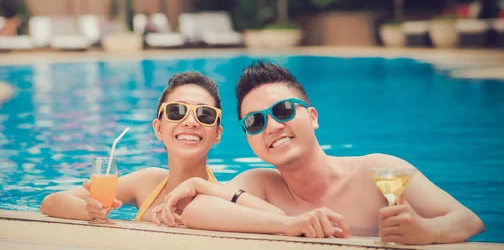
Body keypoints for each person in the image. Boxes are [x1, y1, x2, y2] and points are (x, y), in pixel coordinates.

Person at [152, 60, 485, 244]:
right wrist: (290, 225)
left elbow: (469, 220)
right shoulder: (262, 184)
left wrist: (427, 232)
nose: (271, 126)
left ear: (312, 116)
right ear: (250, 138)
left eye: (283, 110)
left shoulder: (379, 171)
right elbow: (195, 213)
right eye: (255, 121)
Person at [40, 71, 280, 223]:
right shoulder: (146, 182)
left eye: (205, 114)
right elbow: (51, 201)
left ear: (217, 134)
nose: (190, 121)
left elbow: (282, 220)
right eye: (177, 111)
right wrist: (88, 211)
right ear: (158, 128)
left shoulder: (222, 194)